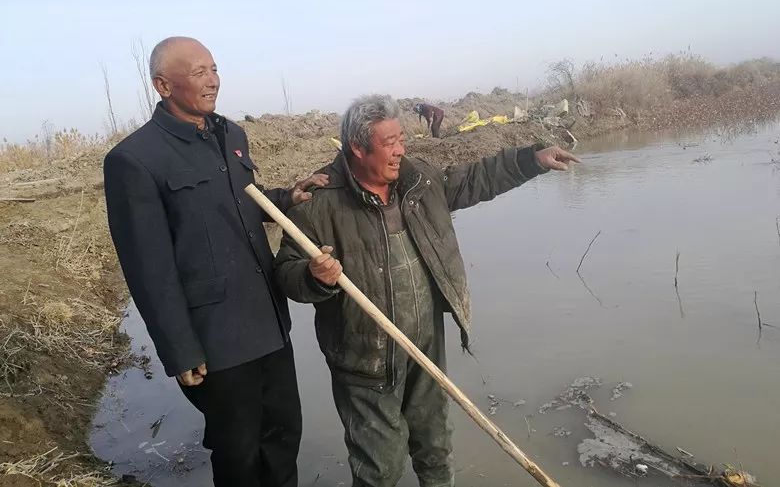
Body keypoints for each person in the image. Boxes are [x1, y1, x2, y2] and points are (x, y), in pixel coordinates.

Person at [275, 94, 579, 487]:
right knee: (379, 468)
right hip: (365, 358)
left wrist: (531, 161)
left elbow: (472, 179)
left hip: (425, 347)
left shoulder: (418, 180)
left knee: (436, 452)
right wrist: (314, 276)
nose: (401, 150)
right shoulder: (318, 200)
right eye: (390, 143)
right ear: (356, 147)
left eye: (402, 139)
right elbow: (285, 271)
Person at [104, 36, 326, 487]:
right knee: (239, 450)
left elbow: (238, 202)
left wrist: (286, 197)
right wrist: (178, 348)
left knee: (285, 434)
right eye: (199, 73)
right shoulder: (134, 160)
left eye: (215, 69)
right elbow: (148, 269)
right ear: (163, 85)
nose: (213, 81)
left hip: (267, 320)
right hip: (216, 341)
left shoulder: (230, 134)